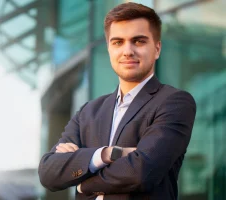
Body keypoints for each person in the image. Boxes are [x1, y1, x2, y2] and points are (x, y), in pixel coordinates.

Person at [38, 2, 196, 200]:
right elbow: (48, 171)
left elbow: (141, 171)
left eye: (138, 41)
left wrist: (83, 182)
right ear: (109, 49)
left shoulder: (174, 102)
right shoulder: (89, 111)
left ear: (157, 49)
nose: (127, 51)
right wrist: (106, 154)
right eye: (118, 42)